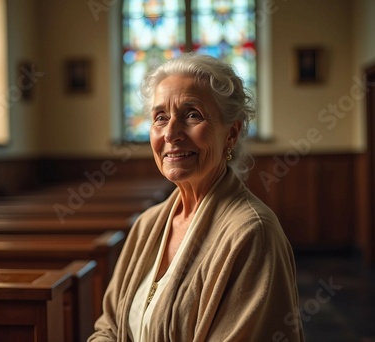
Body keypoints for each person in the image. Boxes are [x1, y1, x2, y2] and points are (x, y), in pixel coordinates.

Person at [88, 53, 304, 341]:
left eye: (192, 115)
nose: (171, 134)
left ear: (232, 133)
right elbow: (109, 328)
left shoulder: (253, 233)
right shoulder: (147, 224)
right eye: (160, 117)